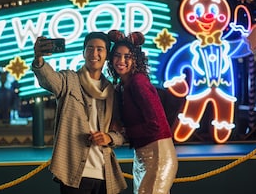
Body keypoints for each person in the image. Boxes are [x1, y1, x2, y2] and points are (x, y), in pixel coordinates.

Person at [32, 32, 127, 194]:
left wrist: (109, 137)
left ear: (106, 55)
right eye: (89, 48)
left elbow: (122, 133)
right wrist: (39, 59)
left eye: (100, 49)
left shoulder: (111, 91)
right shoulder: (69, 80)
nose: (94, 53)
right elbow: (48, 79)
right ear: (83, 53)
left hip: (104, 173)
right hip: (73, 173)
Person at [106, 30, 178, 194]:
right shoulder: (123, 86)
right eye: (117, 55)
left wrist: (125, 132)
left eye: (127, 56)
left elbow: (155, 125)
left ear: (135, 59)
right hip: (142, 154)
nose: (121, 61)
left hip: (157, 153)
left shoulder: (139, 82)